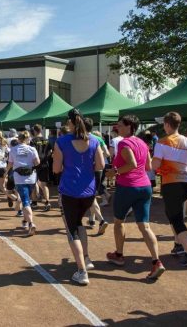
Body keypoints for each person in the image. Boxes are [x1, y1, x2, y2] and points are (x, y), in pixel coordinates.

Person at [105, 115, 165, 280]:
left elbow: (131, 164)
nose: (117, 127)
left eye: (120, 125)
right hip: (144, 187)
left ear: (129, 126)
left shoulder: (124, 142)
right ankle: (156, 261)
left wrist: (115, 172)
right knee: (144, 226)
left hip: (127, 187)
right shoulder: (143, 143)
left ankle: (118, 255)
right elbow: (148, 166)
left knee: (119, 221)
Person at [53, 109, 105, 285]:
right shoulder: (94, 141)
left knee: (72, 230)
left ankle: (82, 271)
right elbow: (100, 165)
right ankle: (87, 259)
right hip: (88, 192)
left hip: (69, 191)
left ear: (70, 123)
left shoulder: (62, 141)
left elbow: (56, 169)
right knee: (79, 223)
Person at [152, 112, 187, 266]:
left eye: (164, 124)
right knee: (173, 213)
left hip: (171, 184)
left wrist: (152, 163)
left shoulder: (162, 142)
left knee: (175, 218)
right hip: (186, 184)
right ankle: (178, 245)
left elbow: (155, 166)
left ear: (167, 125)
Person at [7, 131, 39, 236]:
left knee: (25, 201)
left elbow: (10, 164)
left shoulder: (13, 149)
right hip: (31, 178)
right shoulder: (32, 149)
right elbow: (37, 162)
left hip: (19, 178)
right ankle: (25, 221)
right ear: (27, 139)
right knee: (27, 200)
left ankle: (31, 223)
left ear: (19, 139)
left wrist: (5, 172)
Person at [30, 124, 51, 211]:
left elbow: (32, 153)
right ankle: (47, 202)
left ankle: (34, 202)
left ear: (34, 131)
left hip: (35, 164)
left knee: (34, 183)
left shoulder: (33, 140)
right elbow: (50, 151)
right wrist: (46, 158)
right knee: (44, 184)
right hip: (45, 164)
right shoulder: (47, 140)